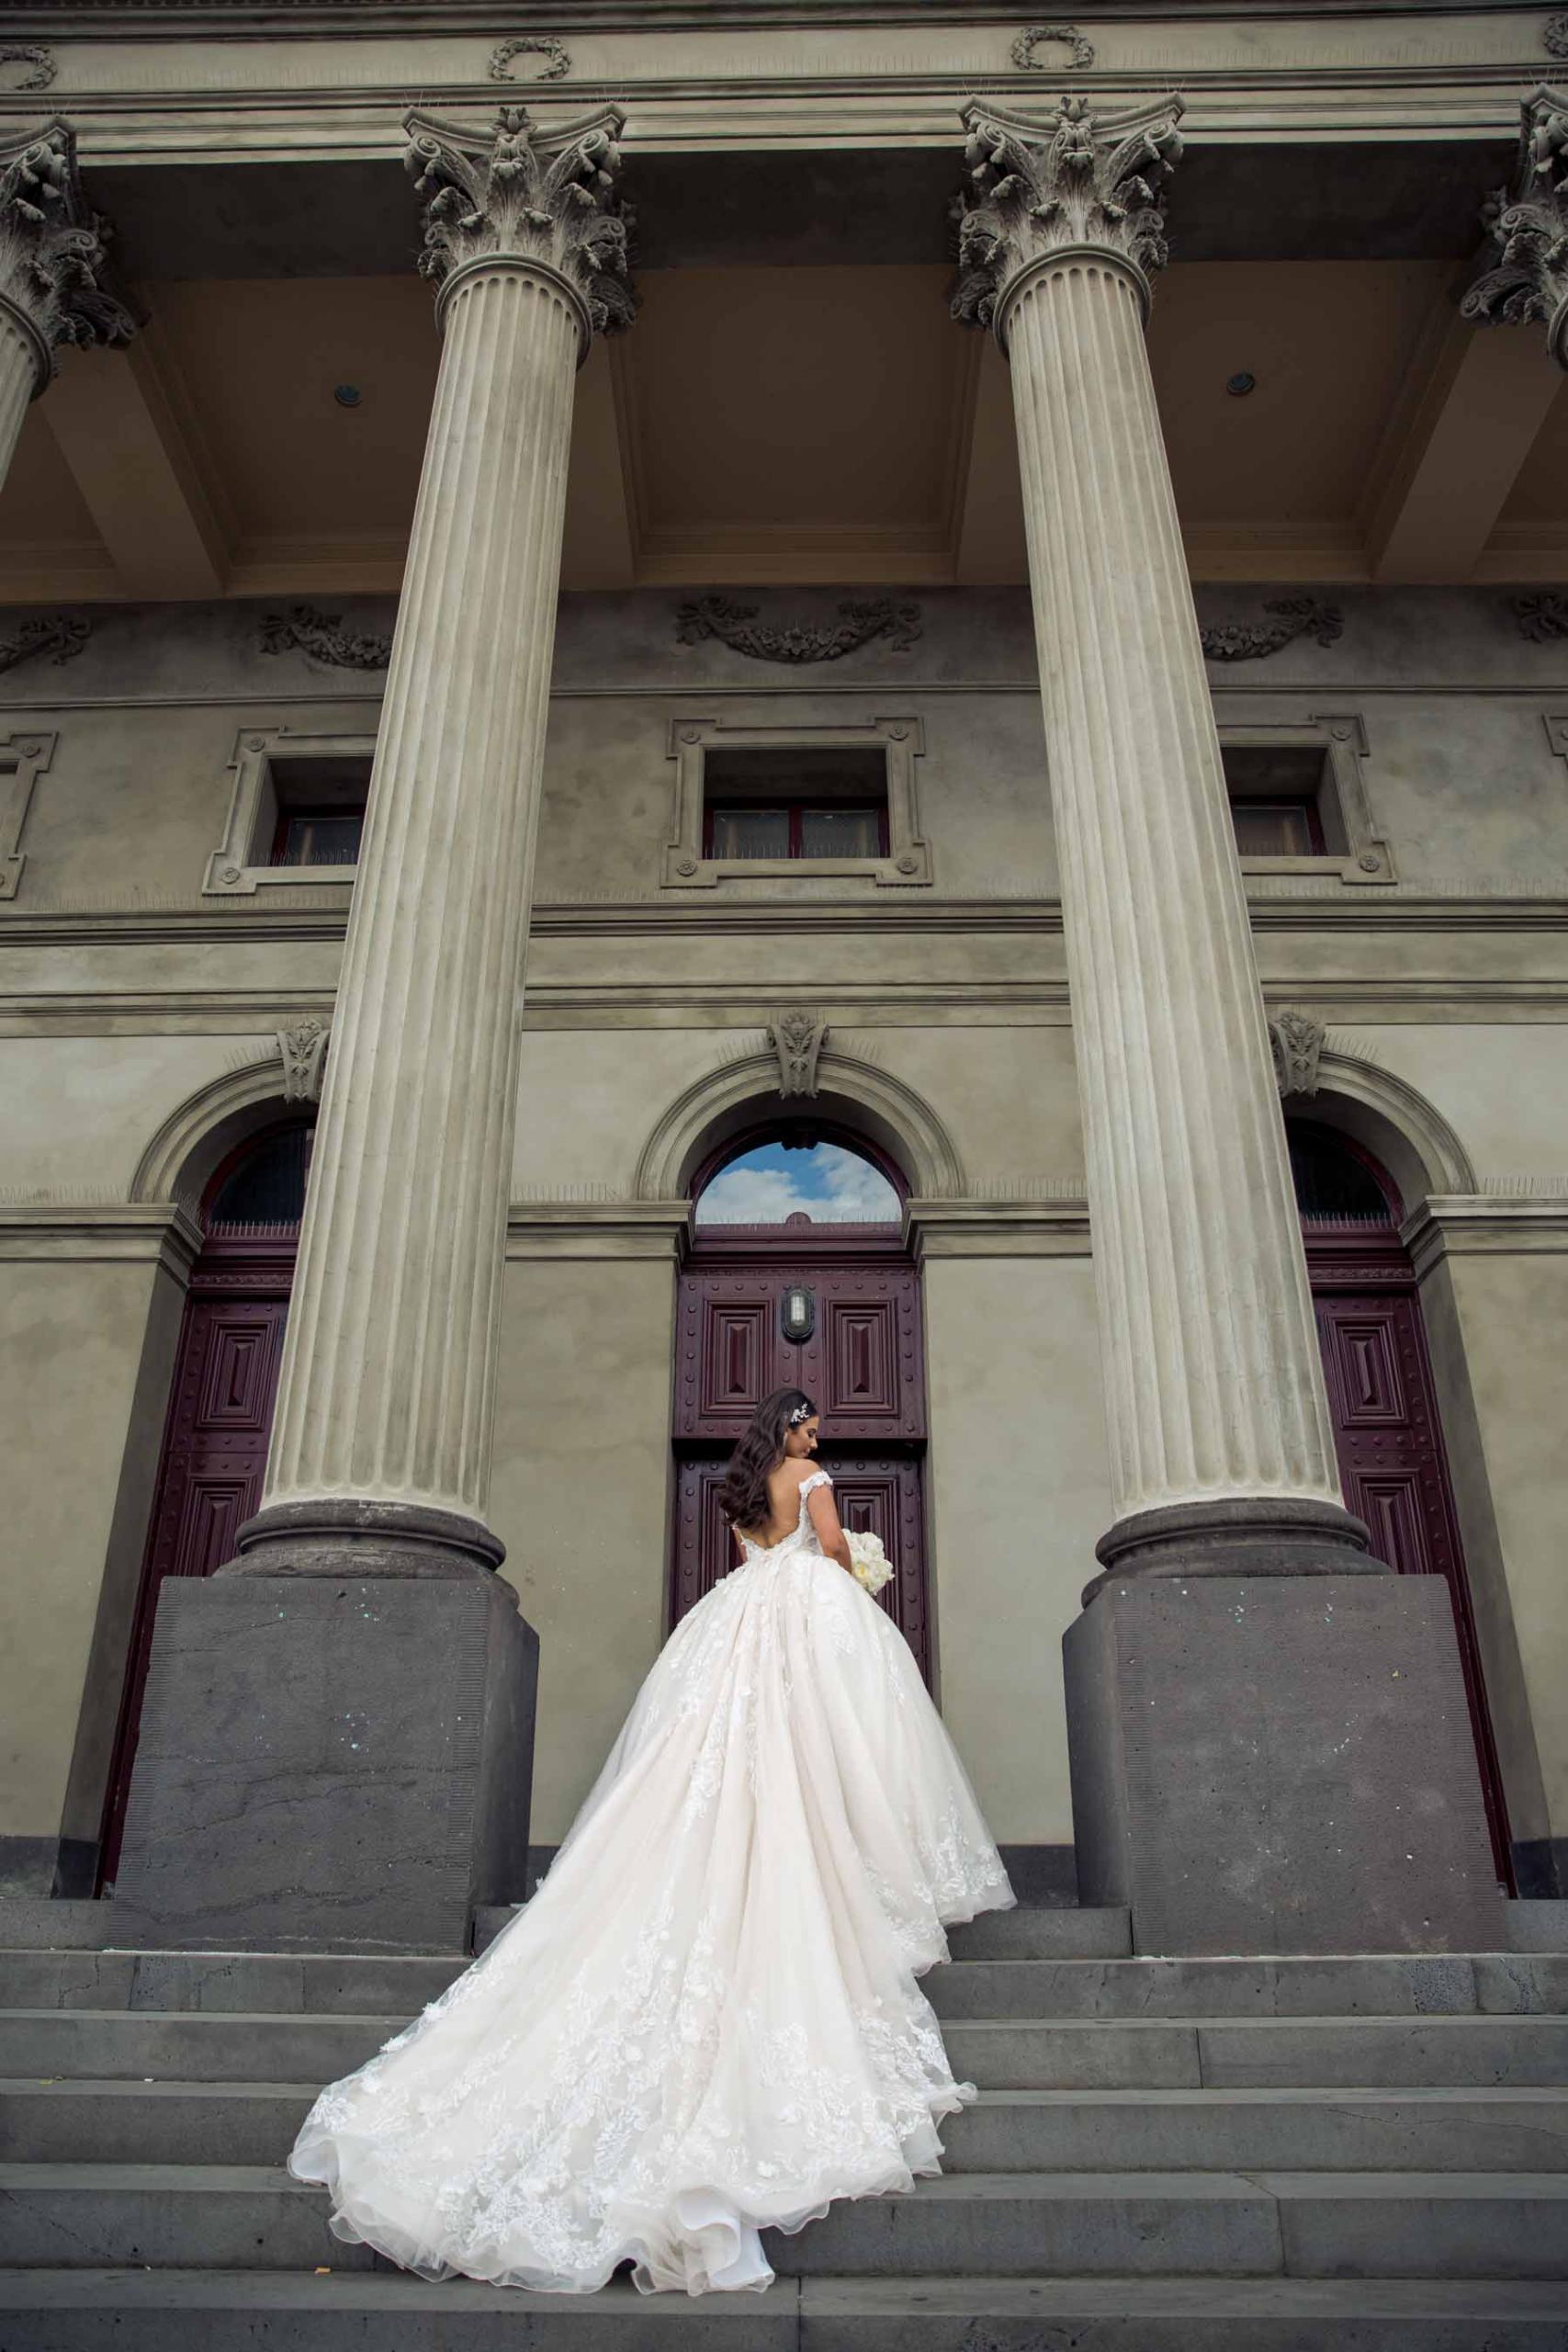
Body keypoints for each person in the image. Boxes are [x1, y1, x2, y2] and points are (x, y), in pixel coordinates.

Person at [288, 1385, 1013, 2296]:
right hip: (804, 1616)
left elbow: (763, 1551)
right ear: (792, 1428)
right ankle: (831, 1867)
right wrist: (858, 1564)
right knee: (825, 1746)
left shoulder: (747, 1490)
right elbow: (828, 1549)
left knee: (717, 1749)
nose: (820, 1432)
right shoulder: (815, 1479)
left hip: (741, 1618)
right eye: (811, 1421)